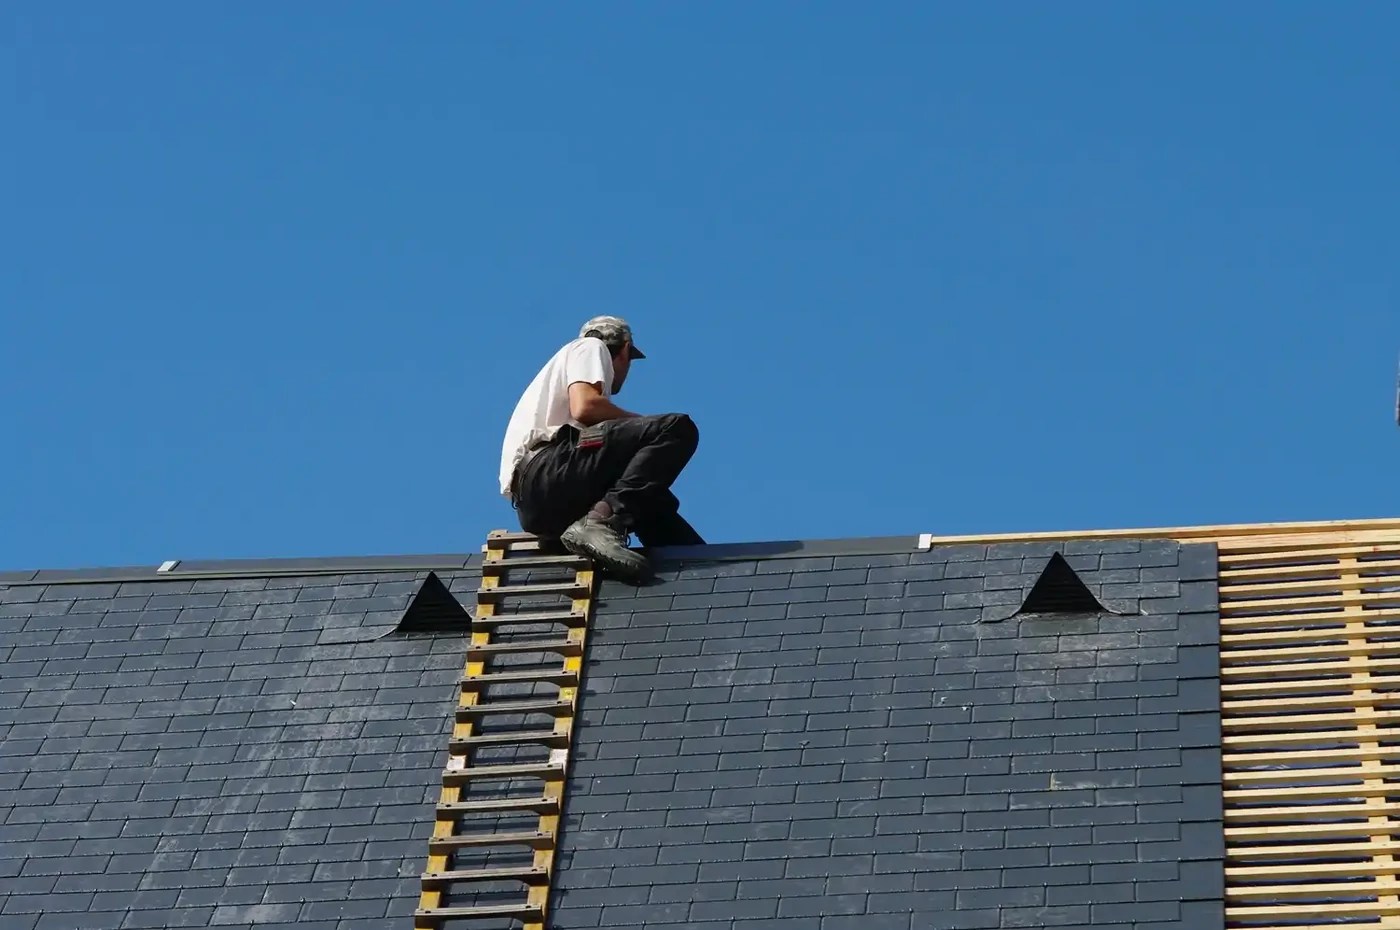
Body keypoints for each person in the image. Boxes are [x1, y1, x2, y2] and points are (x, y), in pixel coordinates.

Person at [499, 316, 704, 581]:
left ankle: (693, 568)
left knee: (648, 495)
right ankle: (602, 522)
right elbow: (585, 407)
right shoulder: (589, 347)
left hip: (539, 509)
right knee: (675, 428)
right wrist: (642, 425)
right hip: (550, 471)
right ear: (625, 349)